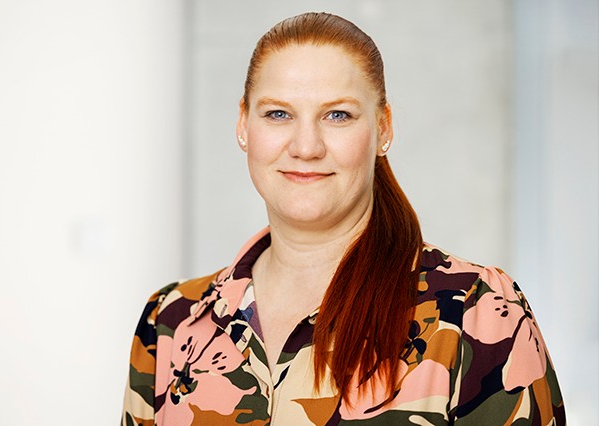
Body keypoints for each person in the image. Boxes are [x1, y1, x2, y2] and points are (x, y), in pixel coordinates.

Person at [122, 12, 565, 425]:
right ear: (243, 124)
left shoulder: (475, 314)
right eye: (278, 114)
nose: (306, 146)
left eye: (337, 115)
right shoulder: (170, 322)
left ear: (383, 128)